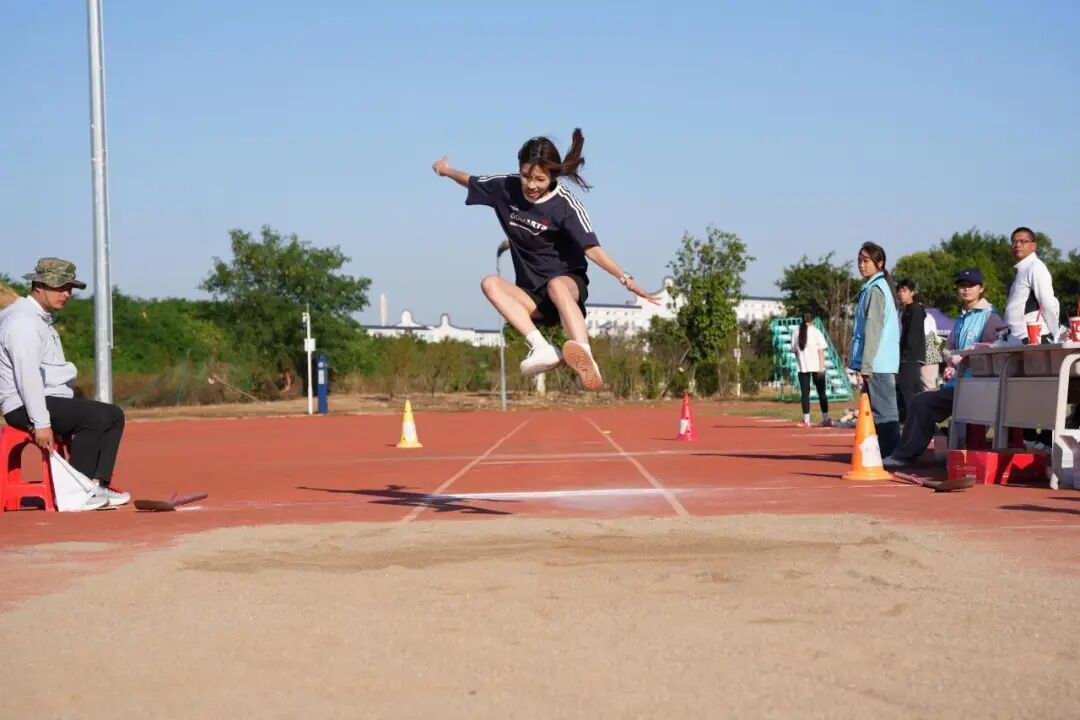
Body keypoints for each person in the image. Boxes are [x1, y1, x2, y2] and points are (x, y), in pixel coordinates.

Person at [432, 128, 659, 390]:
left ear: (552, 176)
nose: (531, 185)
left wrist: (624, 277)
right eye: (526, 176)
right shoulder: (505, 187)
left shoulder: (565, 205)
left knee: (556, 285)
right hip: (532, 296)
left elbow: (592, 248)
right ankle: (542, 348)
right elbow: (471, 180)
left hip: (567, 287)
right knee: (489, 283)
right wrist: (445, 170)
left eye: (539, 179)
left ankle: (585, 356)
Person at [0, 258, 130, 506]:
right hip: (23, 405)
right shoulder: (23, 322)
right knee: (95, 417)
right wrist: (41, 423)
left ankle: (97, 485)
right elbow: (27, 376)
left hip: (42, 399)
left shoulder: (38, 317)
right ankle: (77, 492)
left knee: (113, 415)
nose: (67, 294)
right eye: (60, 287)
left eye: (69, 288)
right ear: (39, 286)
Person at [883, 268, 1005, 468]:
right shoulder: (961, 318)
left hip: (978, 386)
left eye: (971, 285)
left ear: (981, 288)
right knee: (920, 401)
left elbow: (995, 350)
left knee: (921, 401)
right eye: (962, 286)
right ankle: (908, 452)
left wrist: (965, 357)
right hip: (958, 384)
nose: (966, 290)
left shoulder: (991, 318)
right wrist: (953, 359)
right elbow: (948, 348)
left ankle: (911, 452)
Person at [849, 242, 900, 457]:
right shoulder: (873, 288)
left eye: (866, 261)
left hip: (878, 362)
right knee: (879, 411)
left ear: (880, 263)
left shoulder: (876, 290)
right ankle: (885, 454)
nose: (861, 265)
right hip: (878, 361)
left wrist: (866, 365)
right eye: (859, 261)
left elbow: (873, 330)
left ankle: (891, 454)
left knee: (884, 413)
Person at [1004, 226, 1060, 344]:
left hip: (1032, 338)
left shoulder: (1036, 267)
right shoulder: (1022, 269)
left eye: (1023, 241)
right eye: (1014, 241)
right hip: (1018, 338)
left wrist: (1056, 335)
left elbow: (1047, 303)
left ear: (1033, 246)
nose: (1017, 245)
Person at [895, 277, 928, 423]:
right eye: (899, 291)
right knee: (911, 392)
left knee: (909, 392)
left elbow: (912, 337)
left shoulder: (915, 309)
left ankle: (917, 424)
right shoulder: (908, 310)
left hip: (910, 358)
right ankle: (918, 423)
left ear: (912, 292)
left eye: (904, 291)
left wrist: (905, 356)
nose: (901, 294)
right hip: (908, 358)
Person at [791, 313, 832, 427]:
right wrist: (821, 368)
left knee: (805, 394)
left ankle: (806, 420)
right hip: (817, 367)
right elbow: (821, 351)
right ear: (813, 320)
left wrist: (801, 361)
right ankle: (826, 419)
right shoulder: (816, 332)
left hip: (803, 367)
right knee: (821, 393)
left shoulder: (795, 332)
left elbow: (794, 350)